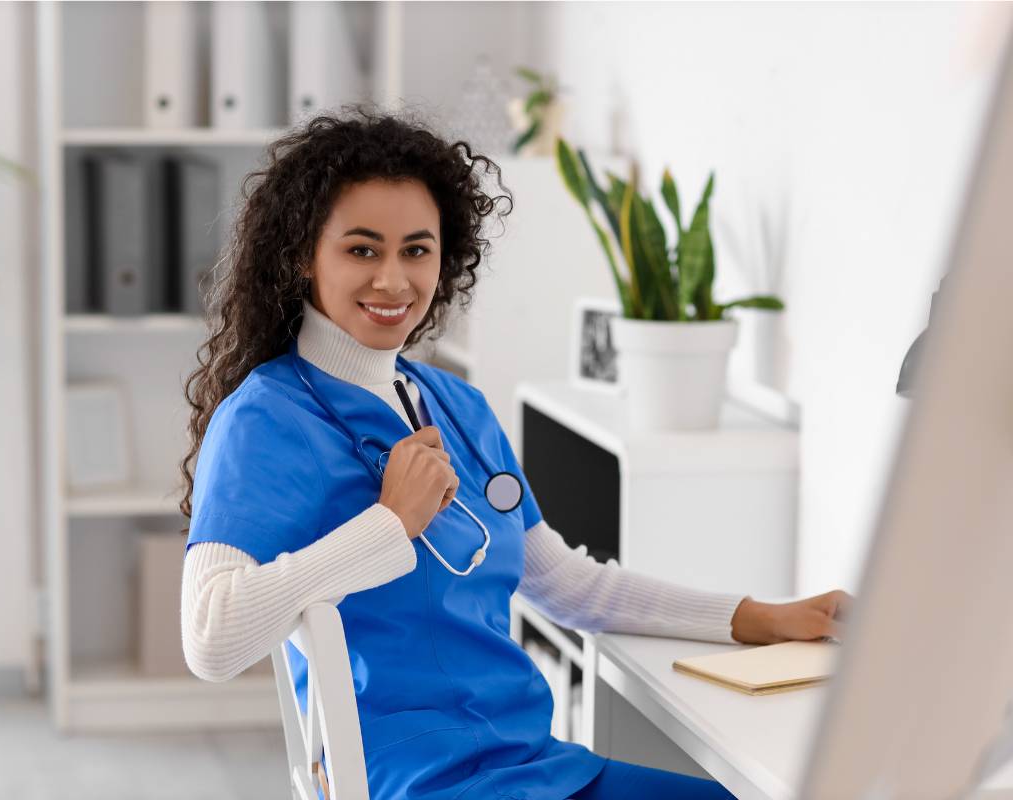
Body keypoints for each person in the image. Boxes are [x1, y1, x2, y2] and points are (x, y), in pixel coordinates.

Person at [178, 105, 852, 800]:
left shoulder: (456, 406)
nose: (394, 281)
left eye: (417, 250)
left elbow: (567, 584)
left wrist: (760, 616)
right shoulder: (266, 419)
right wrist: (390, 524)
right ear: (302, 256)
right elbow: (210, 638)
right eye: (362, 250)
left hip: (532, 766)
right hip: (417, 785)